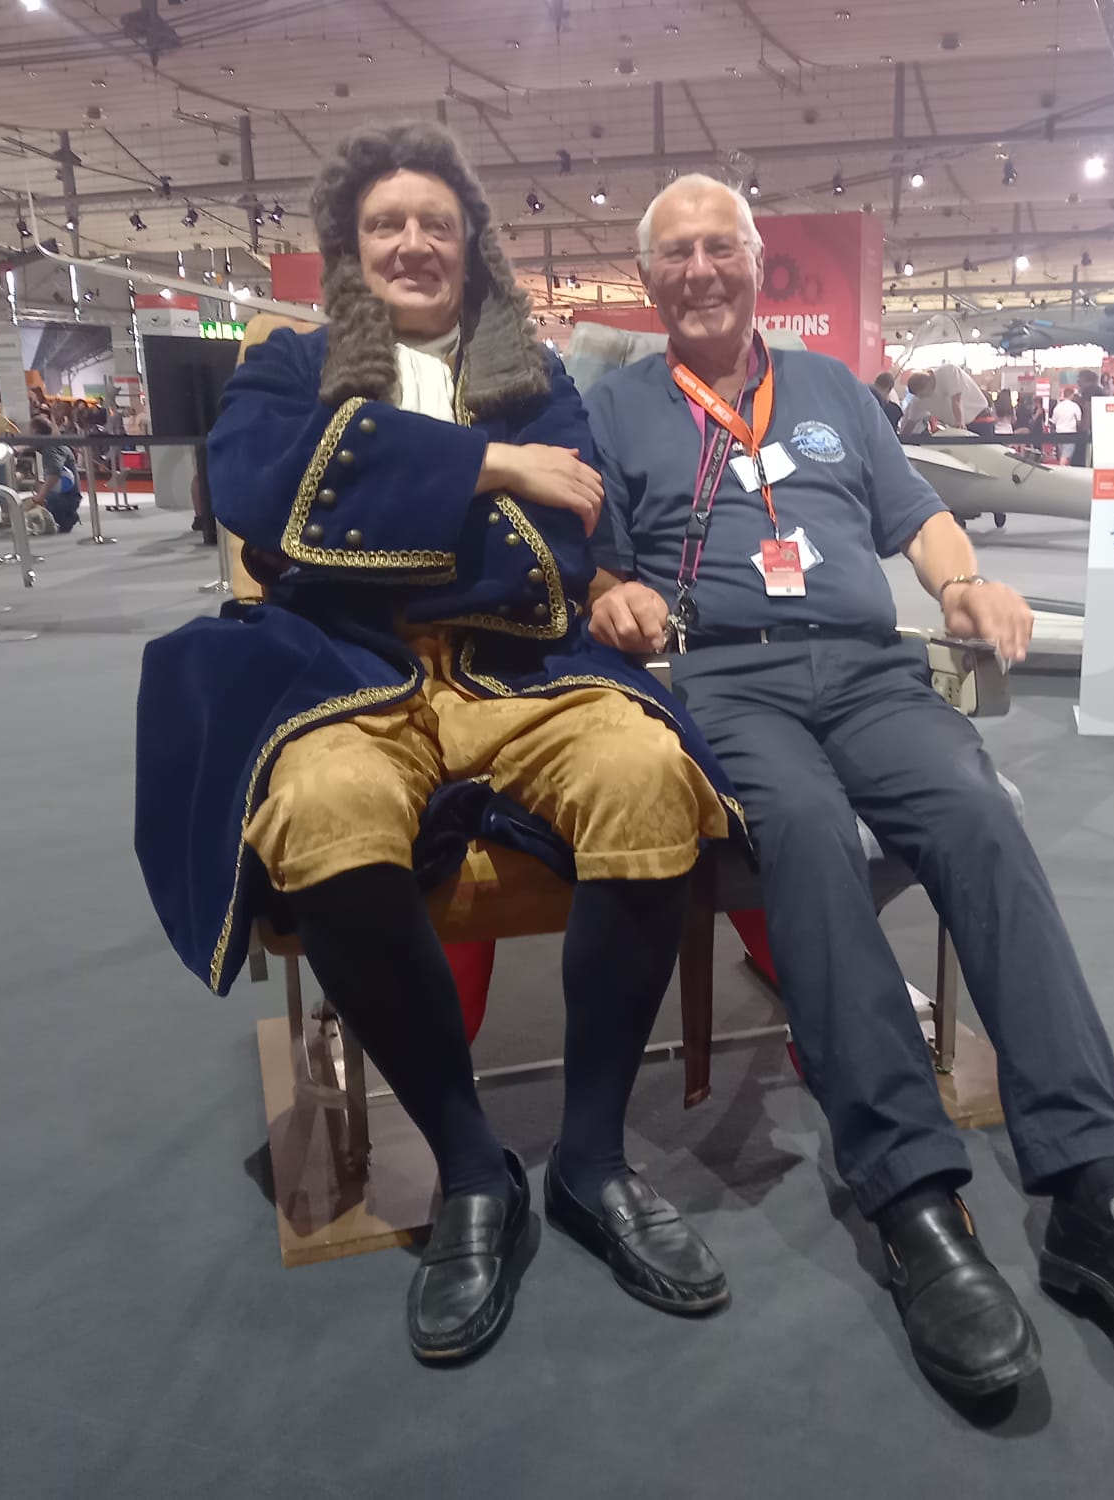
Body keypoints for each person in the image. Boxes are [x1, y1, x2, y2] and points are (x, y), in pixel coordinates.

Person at [584, 173, 1114, 1401]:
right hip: (727, 679)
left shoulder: (832, 391)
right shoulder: (616, 407)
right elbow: (593, 568)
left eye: (718, 246)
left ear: (755, 262)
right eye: (673, 253)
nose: (698, 270)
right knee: (806, 837)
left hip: (867, 668)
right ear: (647, 280)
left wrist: (961, 584)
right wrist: (612, 597)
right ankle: (912, 1201)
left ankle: (1096, 1189)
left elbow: (918, 515)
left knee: (981, 818)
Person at [133, 123, 739, 1366]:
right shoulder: (288, 366)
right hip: (344, 672)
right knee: (320, 810)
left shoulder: (536, 375)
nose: (411, 244)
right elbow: (258, 495)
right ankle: (471, 1170)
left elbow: (560, 539)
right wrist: (490, 468)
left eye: (435, 225)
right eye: (384, 226)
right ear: (348, 249)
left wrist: (365, 508)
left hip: (520, 667)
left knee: (643, 775)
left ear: (471, 247)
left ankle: (588, 1159)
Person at [897, 370, 937, 435]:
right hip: (915, 434)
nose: (918, 396)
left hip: (919, 430)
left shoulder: (925, 398)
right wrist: (903, 438)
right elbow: (909, 426)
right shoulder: (918, 403)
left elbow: (930, 416)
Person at [1049, 384, 1081, 465]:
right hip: (1070, 433)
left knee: (1061, 453)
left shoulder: (1058, 406)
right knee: (1066, 455)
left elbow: (1053, 421)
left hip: (1059, 433)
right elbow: (1079, 421)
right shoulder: (1075, 406)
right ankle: (1061, 468)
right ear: (1072, 395)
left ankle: (1063, 467)